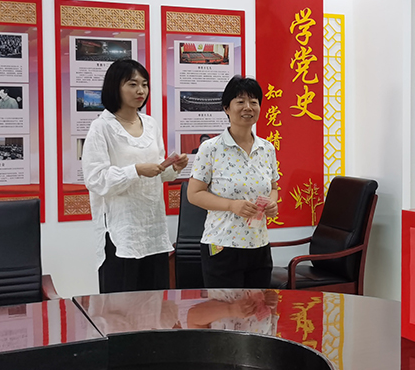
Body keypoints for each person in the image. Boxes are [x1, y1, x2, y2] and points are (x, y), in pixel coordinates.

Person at [83, 58, 188, 294]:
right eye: (132, 84)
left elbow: (158, 173)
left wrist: (173, 167)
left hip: (153, 229)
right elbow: (95, 179)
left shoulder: (150, 124)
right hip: (121, 232)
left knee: (155, 303)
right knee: (121, 307)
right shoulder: (102, 127)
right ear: (115, 87)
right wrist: (136, 170)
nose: (141, 90)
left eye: (144, 84)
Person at [187, 76, 279, 288]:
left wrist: (272, 203)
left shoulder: (267, 148)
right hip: (222, 246)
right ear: (226, 108)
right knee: (226, 308)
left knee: (259, 307)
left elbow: (273, 188)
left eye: (254, 102)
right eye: (240, 101)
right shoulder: (211, 148)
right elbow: (194, 194)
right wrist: (231, 205)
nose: (248, 107)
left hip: (259, 245)